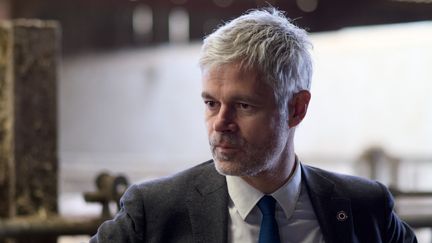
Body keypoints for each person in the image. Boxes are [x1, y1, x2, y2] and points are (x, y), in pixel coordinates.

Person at [90, 8, 417, 243]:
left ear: (296, 109)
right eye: (211, 103)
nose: (221, 124)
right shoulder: (155, 211)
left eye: (244, 105)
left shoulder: (365, 207)